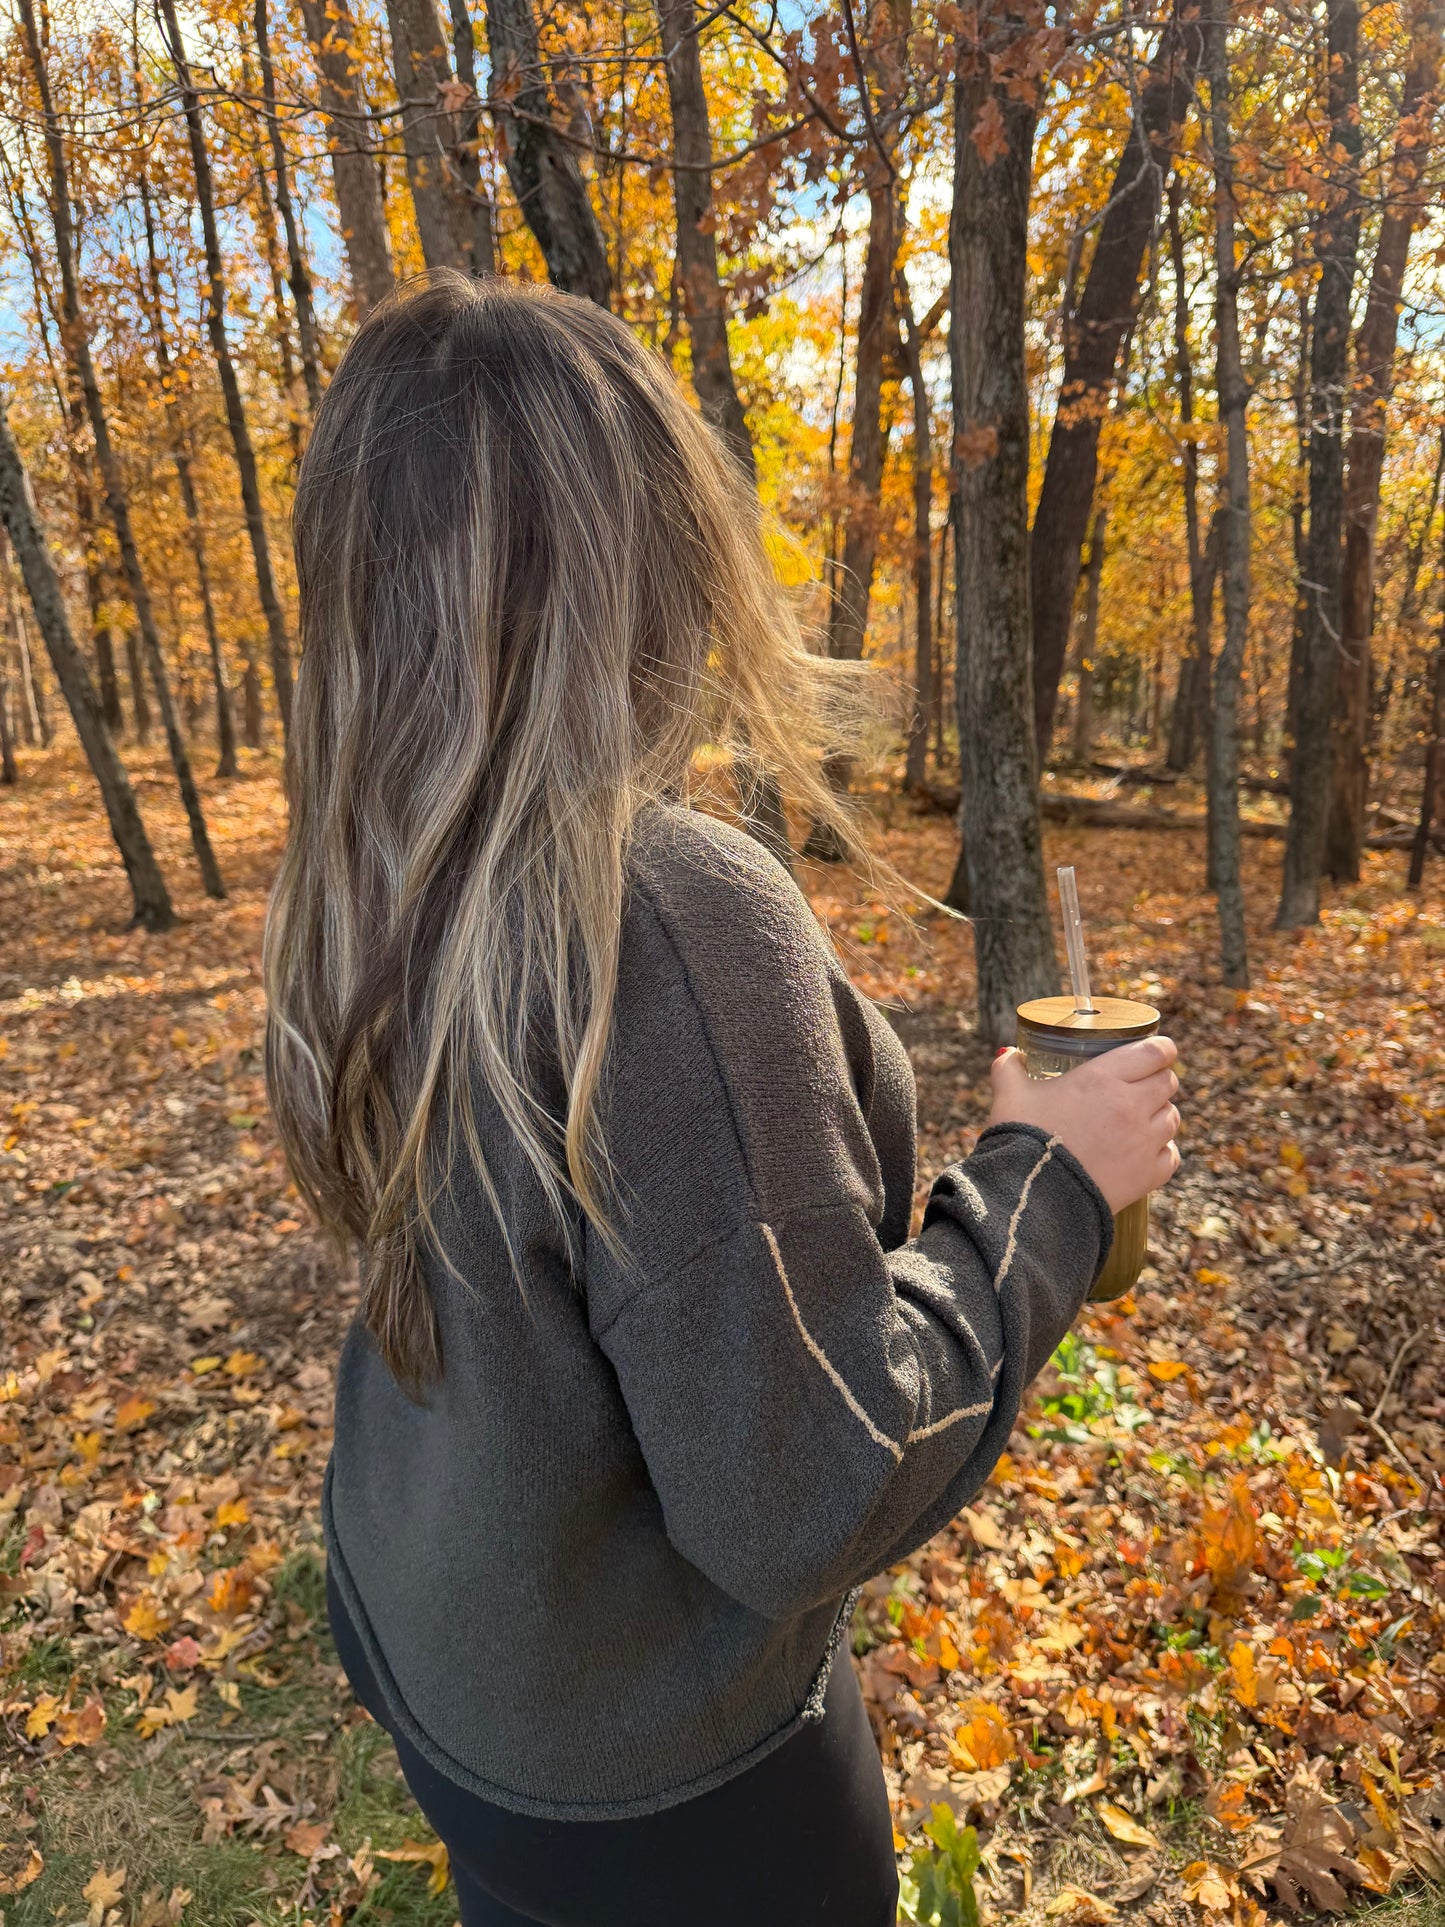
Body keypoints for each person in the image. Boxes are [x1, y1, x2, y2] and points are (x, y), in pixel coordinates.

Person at [264, 273, 1181, 1927]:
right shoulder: (664, 913)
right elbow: (805, 1488)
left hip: (458, 1675)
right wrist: (1044, 1187)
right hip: (665, 1790)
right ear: (657, 551)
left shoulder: (375, 881)